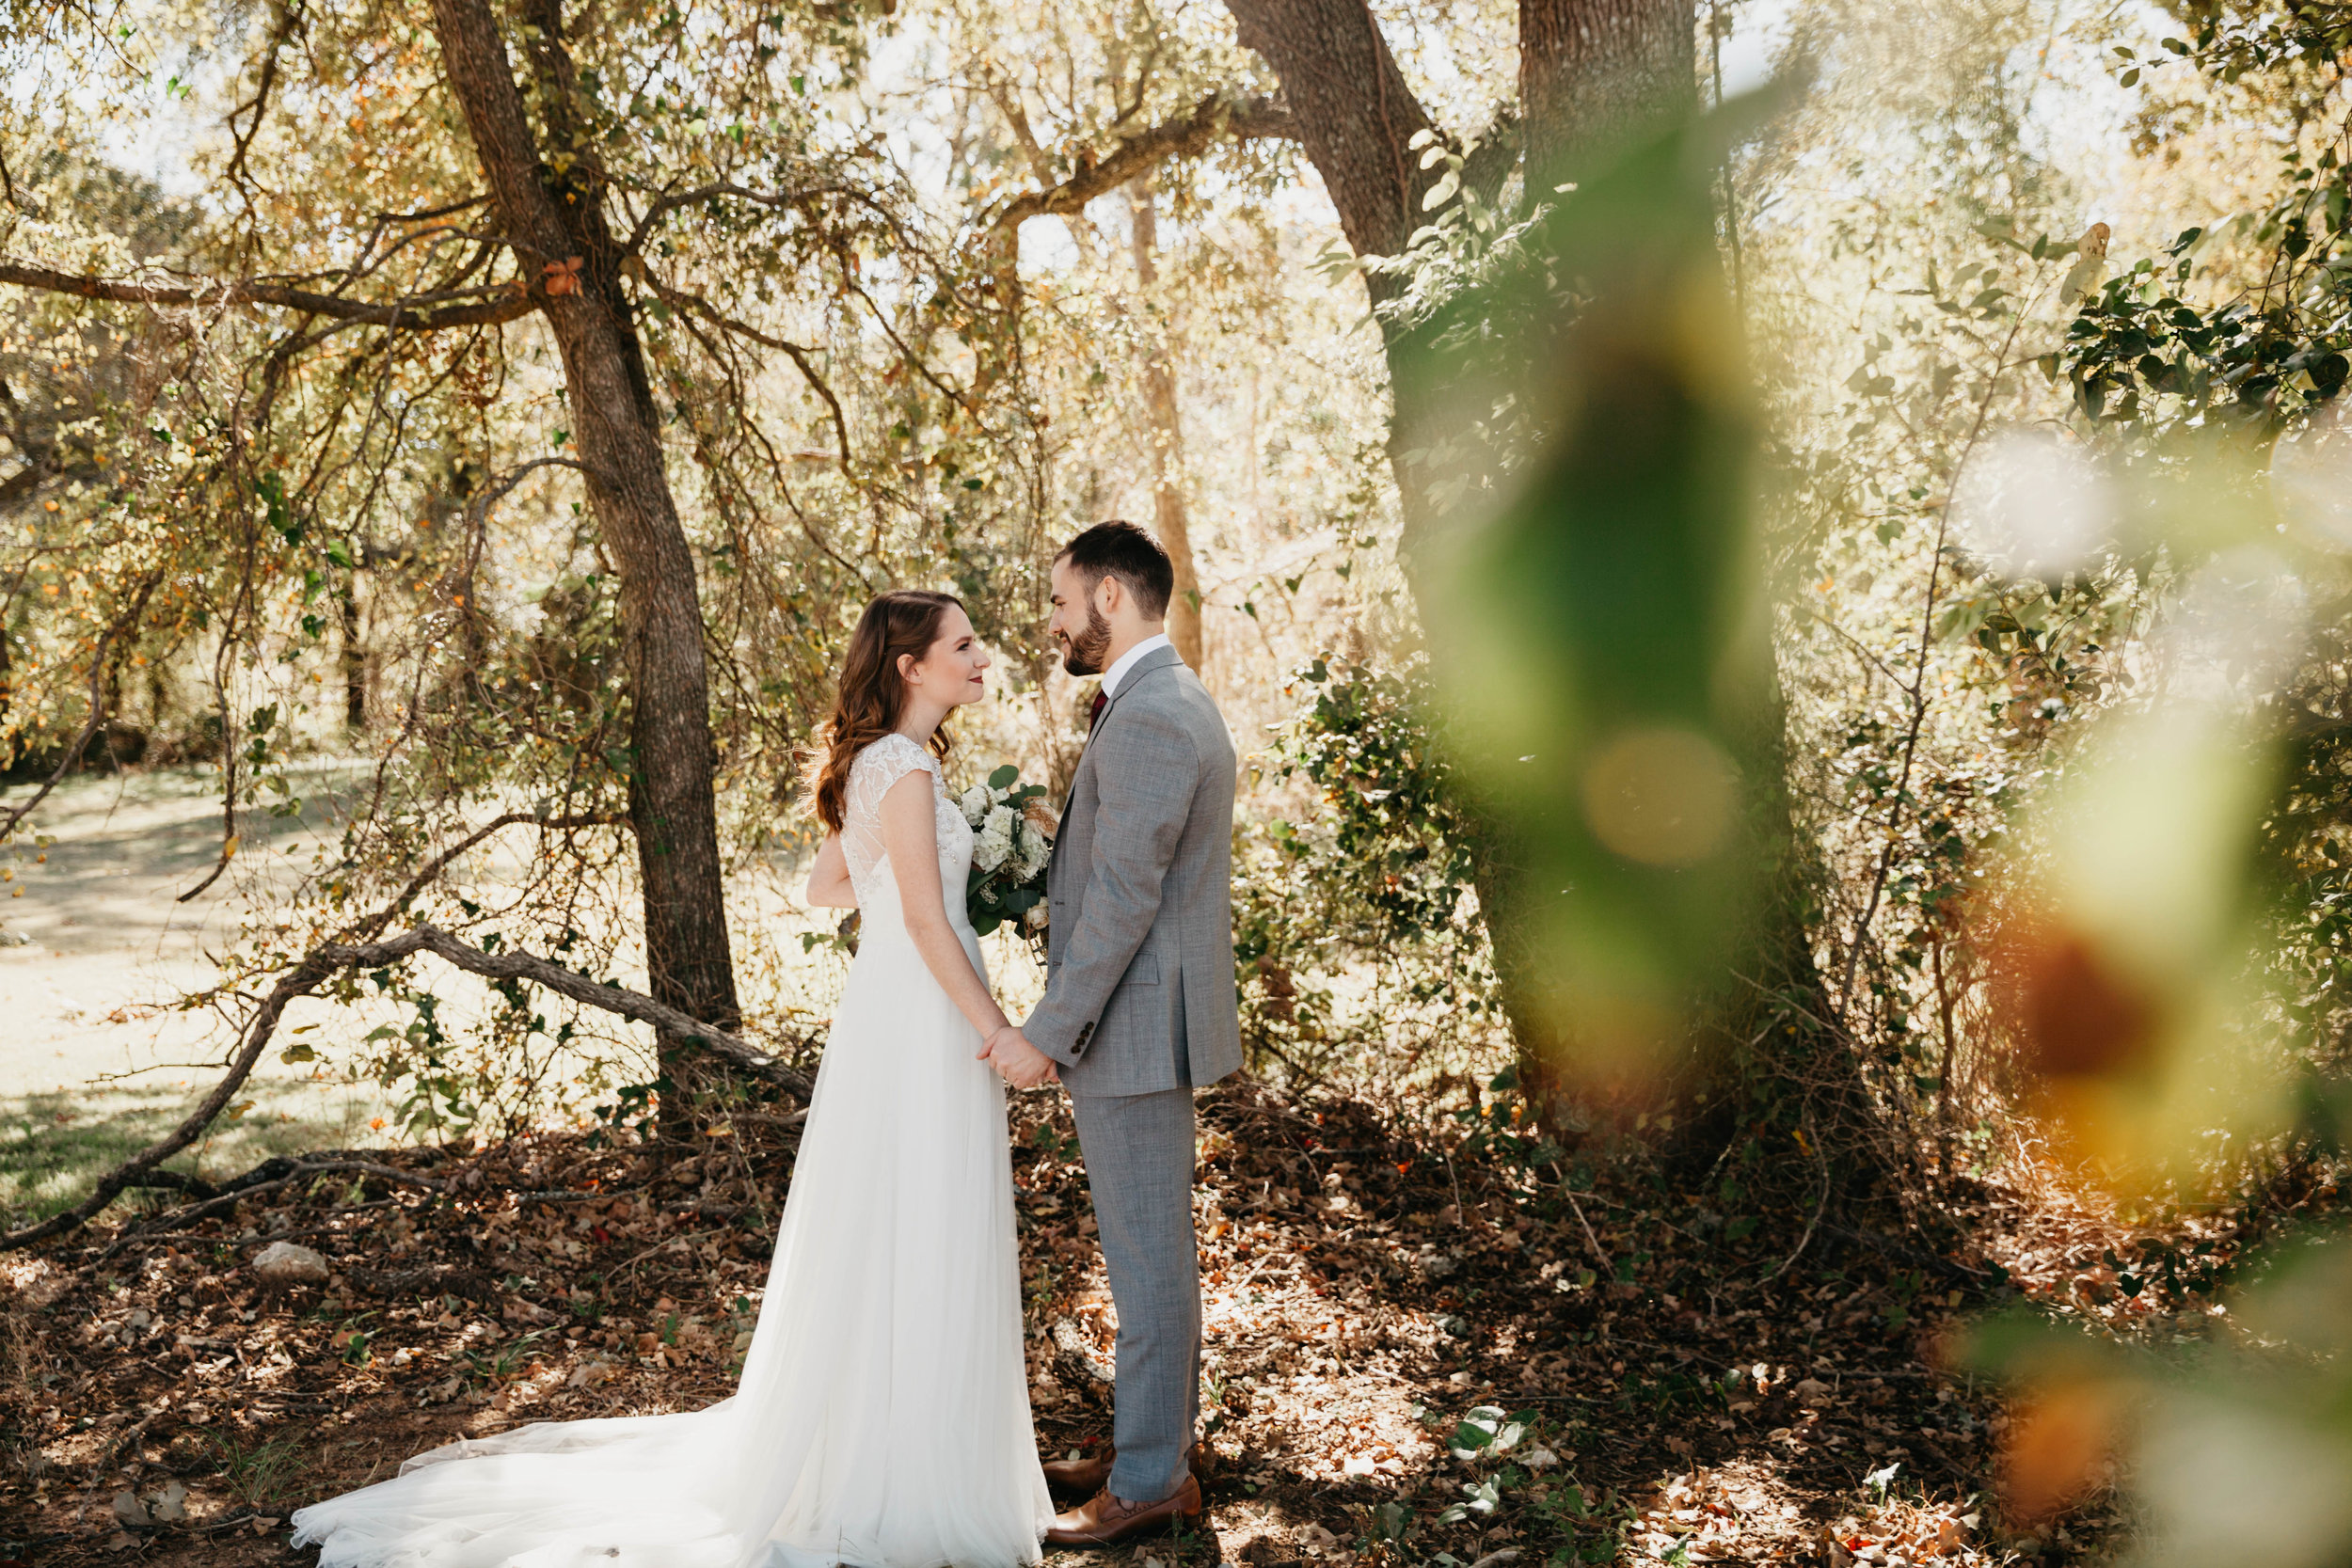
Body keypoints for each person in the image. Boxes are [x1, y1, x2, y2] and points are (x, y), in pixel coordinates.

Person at [291, 589, 1056, 1568]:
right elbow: (916, 919)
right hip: (928, 1013)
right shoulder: (902, 771)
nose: (980, 654)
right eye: (964, 642)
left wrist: (952, 862)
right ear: (911, 665)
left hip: (892, 1012)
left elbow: (829, 885)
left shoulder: (886, 765)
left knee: (890, 1219)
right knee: (923, 1215)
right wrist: (995, 1026)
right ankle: (908, 1469)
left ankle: (884, 1448)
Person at [979, 521, 1243, 1547]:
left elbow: (1127, 900)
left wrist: (1048, 1028)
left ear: (1112, 598)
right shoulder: (1157, 703)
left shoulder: (1151, 716)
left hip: (1131, 1029)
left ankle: (1146, 1479)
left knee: (1145, 1259)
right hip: (1141, 1024)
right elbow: (1122, 867)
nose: (1051, 622)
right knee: (1151, 1250)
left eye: (1060, 601)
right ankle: (1152, 1442)